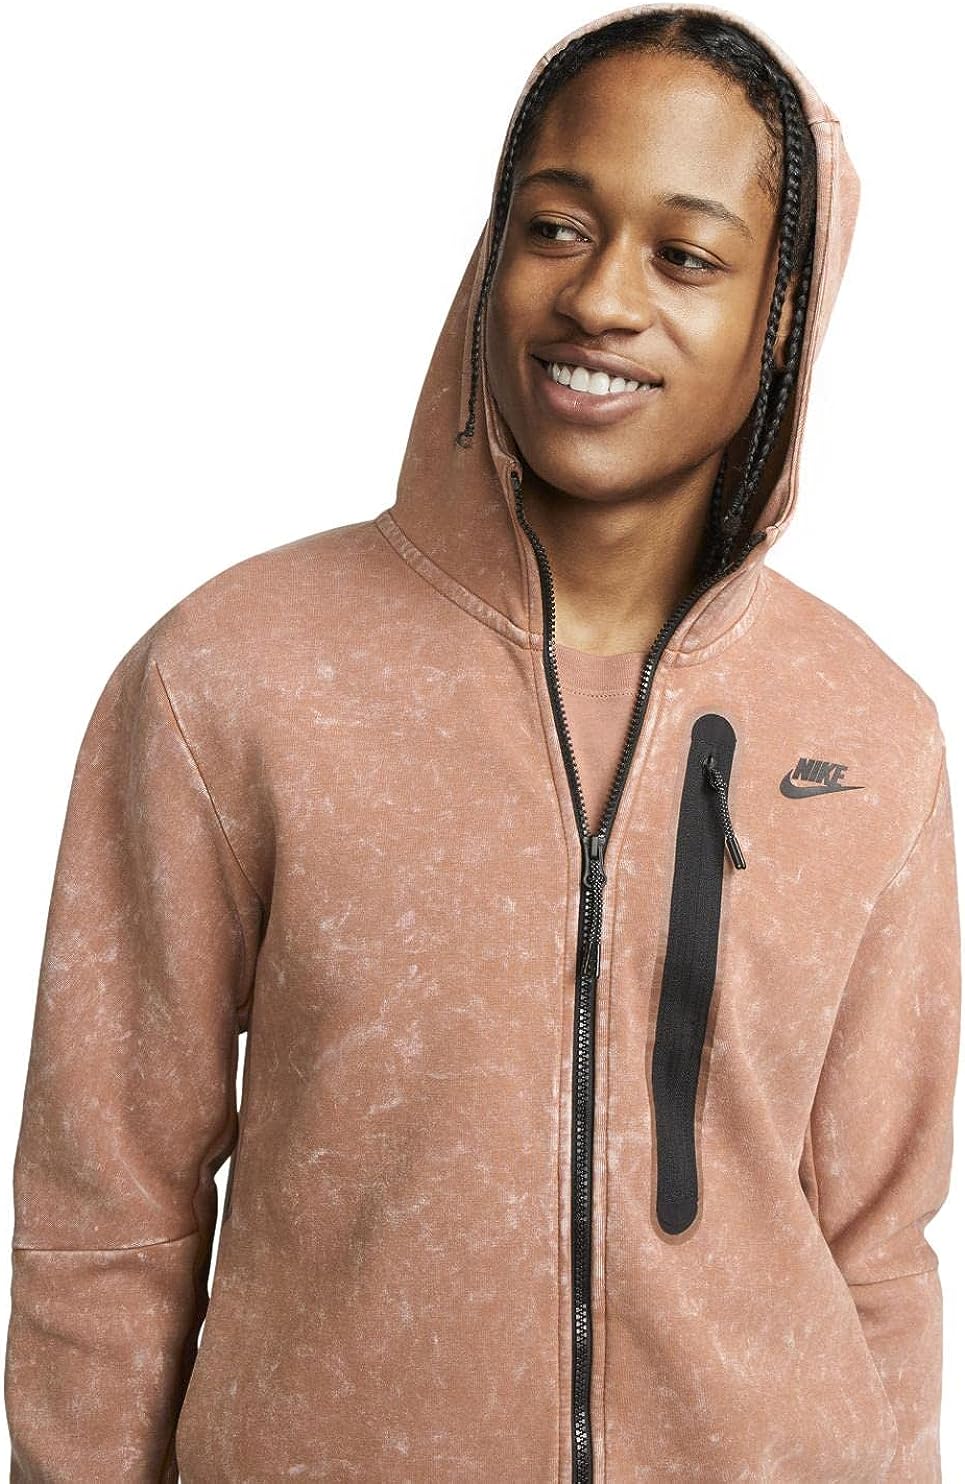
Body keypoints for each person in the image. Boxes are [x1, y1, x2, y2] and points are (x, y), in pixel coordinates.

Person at [5, 4, 959, 1480]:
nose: (601, 299)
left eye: (685, 255)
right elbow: (104, 1216)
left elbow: (878, 1249)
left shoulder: (867, 729)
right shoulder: (238, 675)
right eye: (555, 228)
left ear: (781, 317)